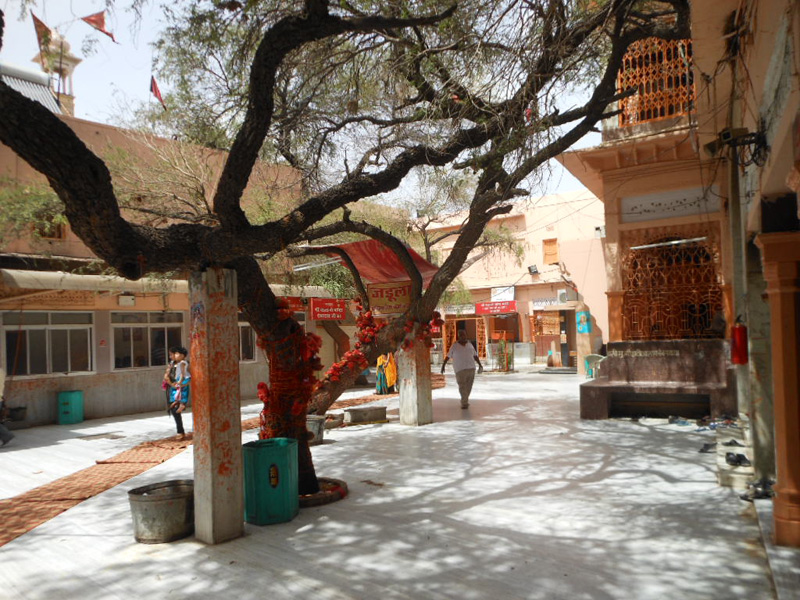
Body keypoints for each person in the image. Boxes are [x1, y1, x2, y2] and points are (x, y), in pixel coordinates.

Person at [440, 330, 483, 409]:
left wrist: (480, 365)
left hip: (471, 368)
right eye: (461, 335)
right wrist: (443, 365)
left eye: (464, 335)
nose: (463, 336)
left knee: (469, 386)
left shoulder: (470, 345)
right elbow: (448, 356)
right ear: (458, 336)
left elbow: (475, 355)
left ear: (466, 335)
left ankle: (464, 400)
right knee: (462, 386)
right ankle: (464, 402)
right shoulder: (454, 346)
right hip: (460, 369)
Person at [163, 346, 190, 440]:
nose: (171, 356)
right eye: (170, 355)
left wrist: (181, 384)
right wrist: (172, 384)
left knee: (176, 408)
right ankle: (180, 431)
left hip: (181, 386)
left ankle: (180, 432)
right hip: (173, 388)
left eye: (172, 354)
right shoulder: (171, 364)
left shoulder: (184, 364)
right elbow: (166, 376)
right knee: (173, 410)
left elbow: (188, 376)